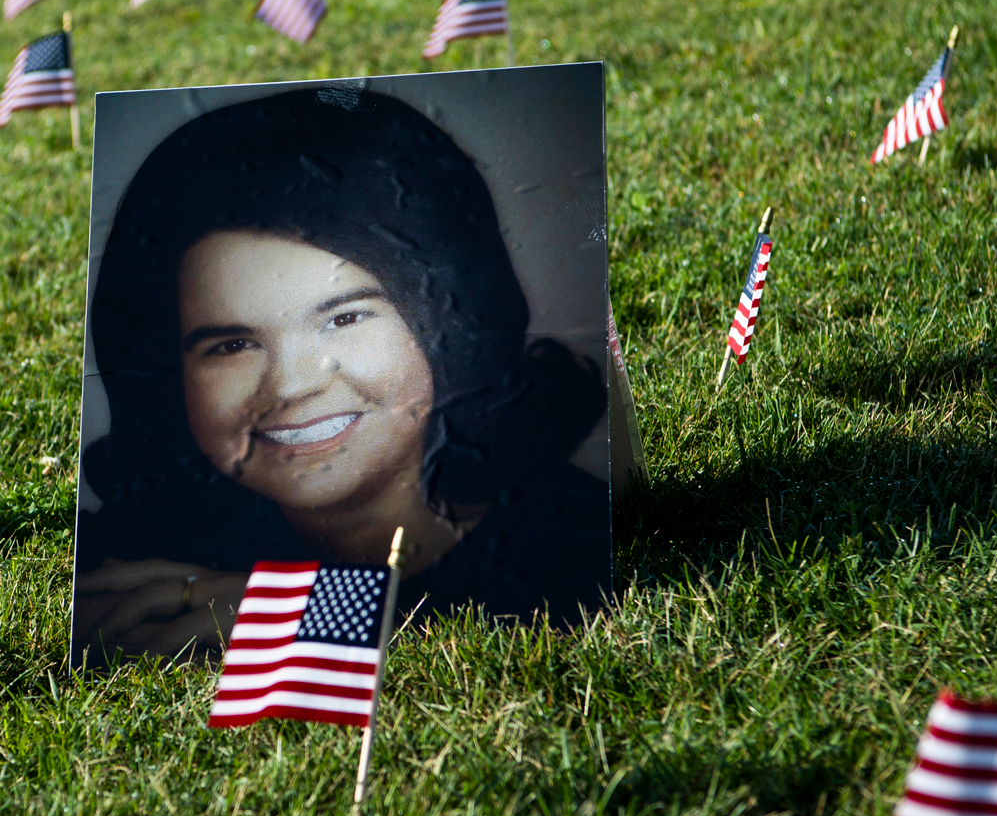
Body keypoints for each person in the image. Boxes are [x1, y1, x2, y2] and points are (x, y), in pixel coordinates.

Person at [71, 84, 609, 663]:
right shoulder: (131, 564)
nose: (291, 385)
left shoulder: (583, 541)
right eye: (231, 344)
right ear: (166, 374)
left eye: (345, 317)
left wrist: (315, 614)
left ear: (453, 322)